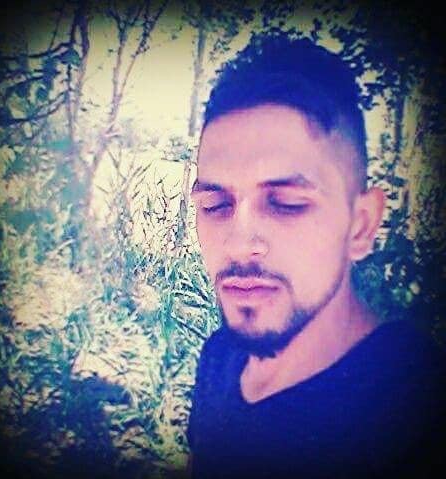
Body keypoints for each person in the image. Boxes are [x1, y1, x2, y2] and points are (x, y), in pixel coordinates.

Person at [187, 33, 445, 478]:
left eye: (286, 203)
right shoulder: (221, 356)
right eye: (215, 205)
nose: (238, 243)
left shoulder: (416, 410)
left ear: (360, 226)